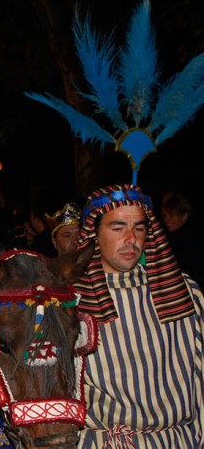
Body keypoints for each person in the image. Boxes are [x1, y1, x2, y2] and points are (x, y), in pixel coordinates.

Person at [73, 184, 204, 447]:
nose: (131, 238)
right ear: (94, 235)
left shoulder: (184, 292)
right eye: (118, 228)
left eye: (140, 228)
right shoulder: (71, 302)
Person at [160, 190, 204, 284]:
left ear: (184, 216)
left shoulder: (193, 241)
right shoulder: (169, 238)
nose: (166, 220)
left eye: (171, 216)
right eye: (164, 216)